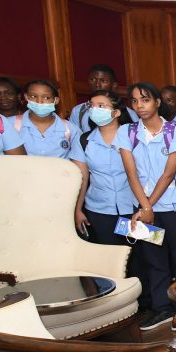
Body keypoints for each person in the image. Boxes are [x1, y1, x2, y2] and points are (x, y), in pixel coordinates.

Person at [117, 82, 176, 331]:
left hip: (174, 208)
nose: (140, 106)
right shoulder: (127, 133)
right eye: (135, 101)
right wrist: (145, 207)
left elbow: (168, 174)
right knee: (154, 260)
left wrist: (148, 207)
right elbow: (131, 174)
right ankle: (161, 309)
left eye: (145, 100)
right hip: (144, 208)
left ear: (157, 102)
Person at [69, 89, 136, 245]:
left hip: (132, 208)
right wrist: (77, 209)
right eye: (91, 106)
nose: (94, 109)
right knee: (107, 255)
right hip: (99, 209)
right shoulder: (84, 140)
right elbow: (82, 178)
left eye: (101, 106)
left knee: (137, 256)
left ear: (116, 113)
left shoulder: (133, 137)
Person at [69, 64, 138, 132]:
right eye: (93, 79)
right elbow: (74, 138)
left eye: (103, 81)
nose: (97, 84)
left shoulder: (129, 113)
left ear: (114, 85)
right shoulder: (79, 111)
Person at [15, 80, 73, 158]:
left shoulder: (70, 129)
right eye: (33, 96)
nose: (39, 102)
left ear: (56, 100)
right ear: (26, 97)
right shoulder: (11, 125)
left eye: (46, 97)